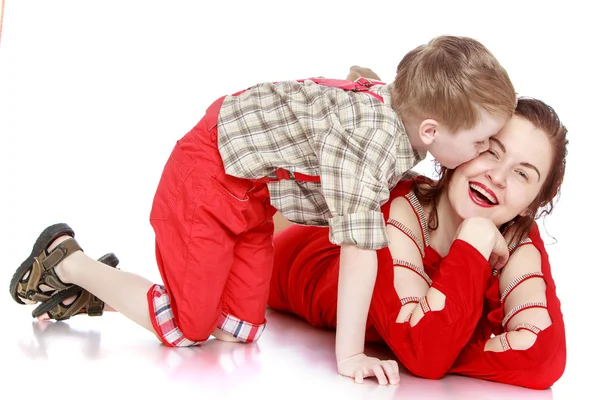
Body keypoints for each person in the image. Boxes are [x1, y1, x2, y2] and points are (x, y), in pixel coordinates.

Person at [9, 35, 515, 385]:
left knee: (239, 330)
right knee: (188, 329)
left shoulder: (400, 119)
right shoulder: (373, 139)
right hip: (209, 174)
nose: (482, 153)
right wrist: (351, 354)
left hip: (250, 195)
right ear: (431, 130)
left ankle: (96, 291)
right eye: (480, 141)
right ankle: (66, 260)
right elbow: (360, 249)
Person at [268, 93, 568, 389]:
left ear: (532, 204)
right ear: (467, 144)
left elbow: (542, 361)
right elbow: (425, 354)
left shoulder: (516, 235)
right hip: (284, 244)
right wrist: (475, 237)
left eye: (522, 174)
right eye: (492, 152)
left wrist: (442, 339)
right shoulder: (397, 209)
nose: (498, 177)